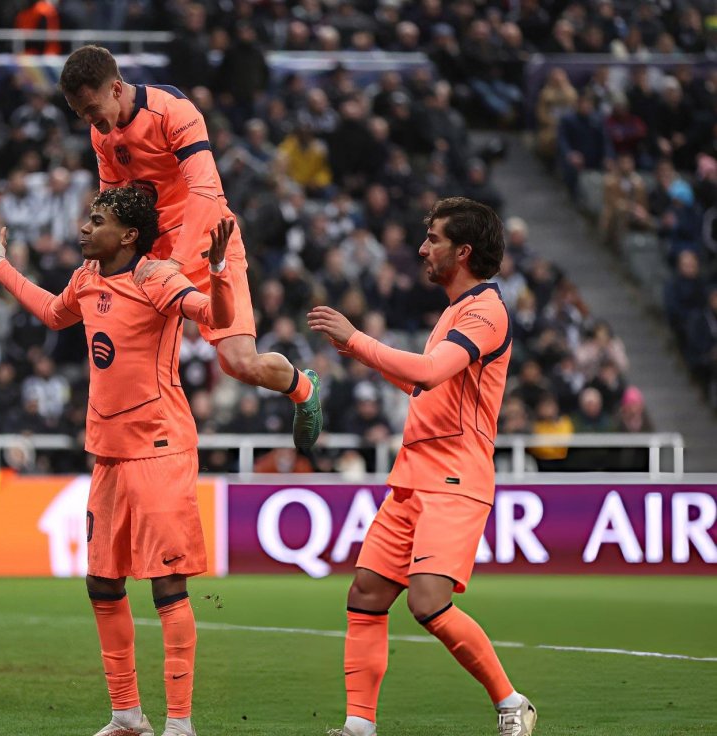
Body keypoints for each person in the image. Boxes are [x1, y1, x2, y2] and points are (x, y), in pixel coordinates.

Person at [0, 186, 235, 736]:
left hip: (159, 448)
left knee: (167, 586)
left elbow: (215, 314)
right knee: (102, 584)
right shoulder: (87, 278)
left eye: (97, 220)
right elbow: (52, 313)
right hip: (108, 452)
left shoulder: (157, 278)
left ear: (129, 235)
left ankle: (180, 723)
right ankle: (127, 715)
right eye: (87, 218)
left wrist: (219, 270)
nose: (85, 228)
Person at [308, 197, 536, 736]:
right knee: (367, 592)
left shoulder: (485, 310)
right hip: (414, 476)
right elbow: (423, 384)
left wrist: (357, 338)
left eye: (433, 239)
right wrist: (359, 353)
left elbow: (430, 372)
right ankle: (359, 725)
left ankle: (512, 703)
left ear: (463, 251)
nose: (421, 248)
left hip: (455, 478)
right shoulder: (456, 311)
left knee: (428, 602)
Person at [57, 45, 323, 455]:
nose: (89, 120)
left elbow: (203, 190)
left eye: (91, 109)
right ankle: (134, 445)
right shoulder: (101, 134)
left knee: (239, 363)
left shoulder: (173, 111)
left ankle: (304, 389)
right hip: (153, 255)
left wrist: (176, 262)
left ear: (115, 89)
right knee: (123, 345)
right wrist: (102, 257)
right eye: (80, 113)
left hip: (207, 244)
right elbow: (112, 202)